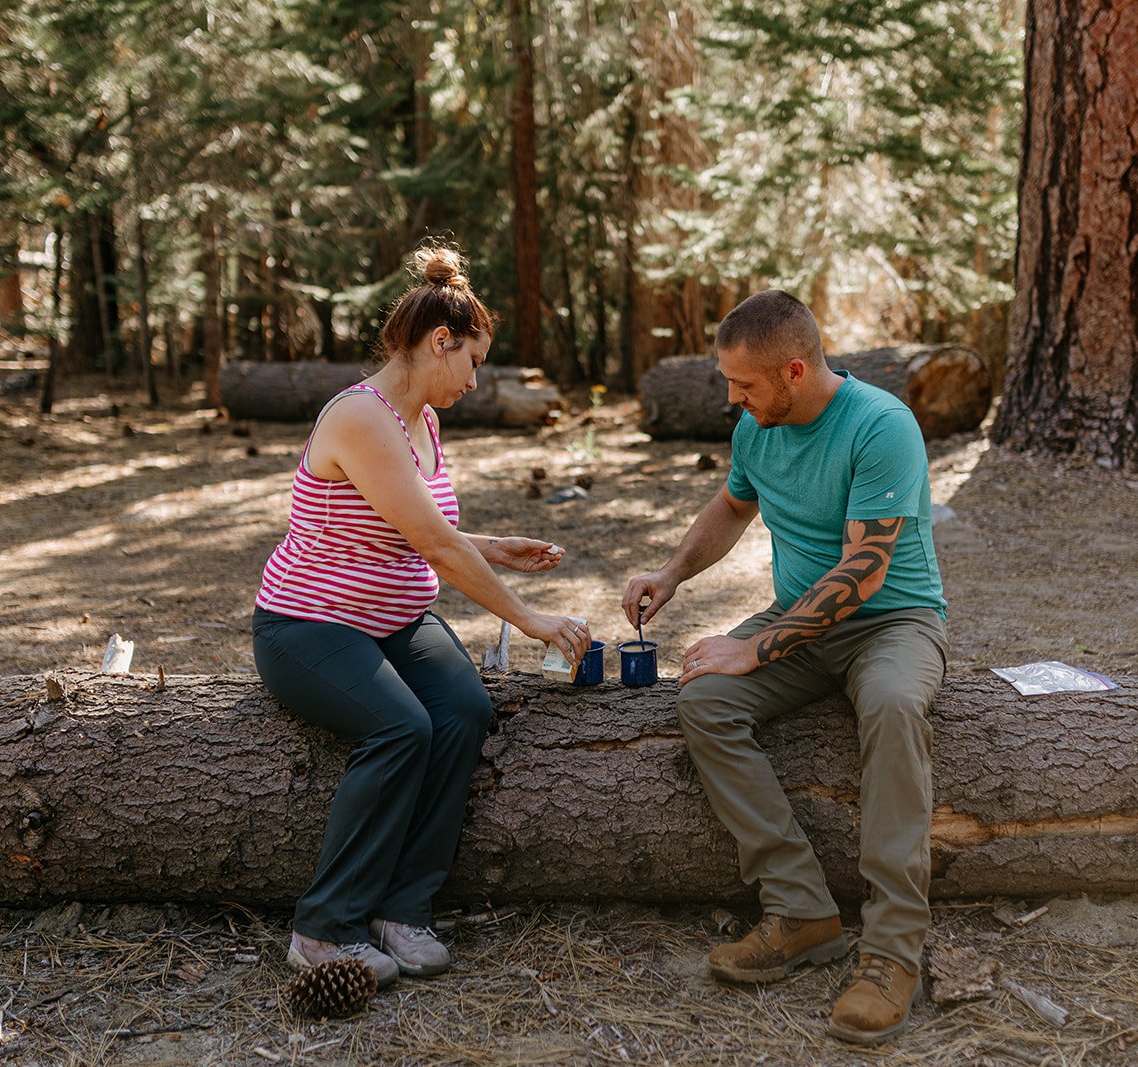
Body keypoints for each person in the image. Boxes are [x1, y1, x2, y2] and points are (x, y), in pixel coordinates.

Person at [252, 245, 592, 987]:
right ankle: (323, 927)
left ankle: (402, 910)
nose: (474, 380)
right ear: (441, 342)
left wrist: (496, 546)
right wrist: (529, 617)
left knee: (465, 708)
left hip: (395, 621)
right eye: (471, 361)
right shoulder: (361, 417)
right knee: (400, 726)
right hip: (310, 626)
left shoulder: (422, 420)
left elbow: (416, 526)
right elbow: (433, 543)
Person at [622, 290, 947, 1045]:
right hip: (804, 623)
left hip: (894, 622)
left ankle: (893, 949)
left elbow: (865, 570)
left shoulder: (881, 425)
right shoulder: (756, 427)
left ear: (794, 371)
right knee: (704, 700)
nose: (732, 399)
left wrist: (755, 646)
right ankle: (801, 908)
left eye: (745, 384)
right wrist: (672, 575)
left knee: (895, 703)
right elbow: (734, 506)